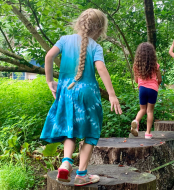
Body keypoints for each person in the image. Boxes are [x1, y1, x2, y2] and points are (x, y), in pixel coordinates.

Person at [40, 8, 122, 186]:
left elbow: (48, 56)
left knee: (70, 129)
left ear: (79, 23)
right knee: (90, 133)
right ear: (99, 30)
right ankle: (82, 174)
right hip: (88, 94)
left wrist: (49, 81)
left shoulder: (64, 40)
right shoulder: (96, 47)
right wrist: (112, 94)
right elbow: (101, 69)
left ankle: (66, 162)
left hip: (66, 91)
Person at [130, 42, 162, 139]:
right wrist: (155, 85)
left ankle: (136, 121)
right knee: (150, 111)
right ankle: (148, 133)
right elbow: (159, 79)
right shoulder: (155, 65)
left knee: (142, 109)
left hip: (142, 89)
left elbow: (136, 80)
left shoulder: (136, 66)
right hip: (153, 89)